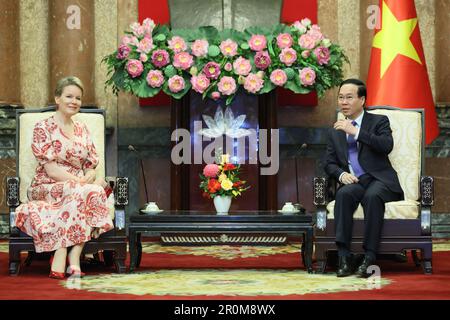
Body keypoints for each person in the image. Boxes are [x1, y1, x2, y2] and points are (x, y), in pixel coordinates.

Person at [15, 76, 114, 279]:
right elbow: (51, 170)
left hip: (78, 185)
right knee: (87, 192)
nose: (74, 102)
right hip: (48, 185)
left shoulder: (82, 129)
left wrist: (88, 175)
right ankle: (65, 254)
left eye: (78, 98)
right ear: (57, 98)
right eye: (69, 96)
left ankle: (73, 253)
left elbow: (91, 164)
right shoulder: (43, 128)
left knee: (93, 189)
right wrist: (79, 182)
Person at [324, 78, 404, 278]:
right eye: (341, 97)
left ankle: (369, 255)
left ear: (362, 100)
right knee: (343, 195)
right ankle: (344, 256)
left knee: (372, 197)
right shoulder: (336, 130)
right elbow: (328, 163)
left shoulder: (379, 121)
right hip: (356, 181)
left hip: (379, 180)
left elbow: (386, 145)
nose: (343, 102)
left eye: (349, 97)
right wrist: (341, 175)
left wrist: (356, 132)